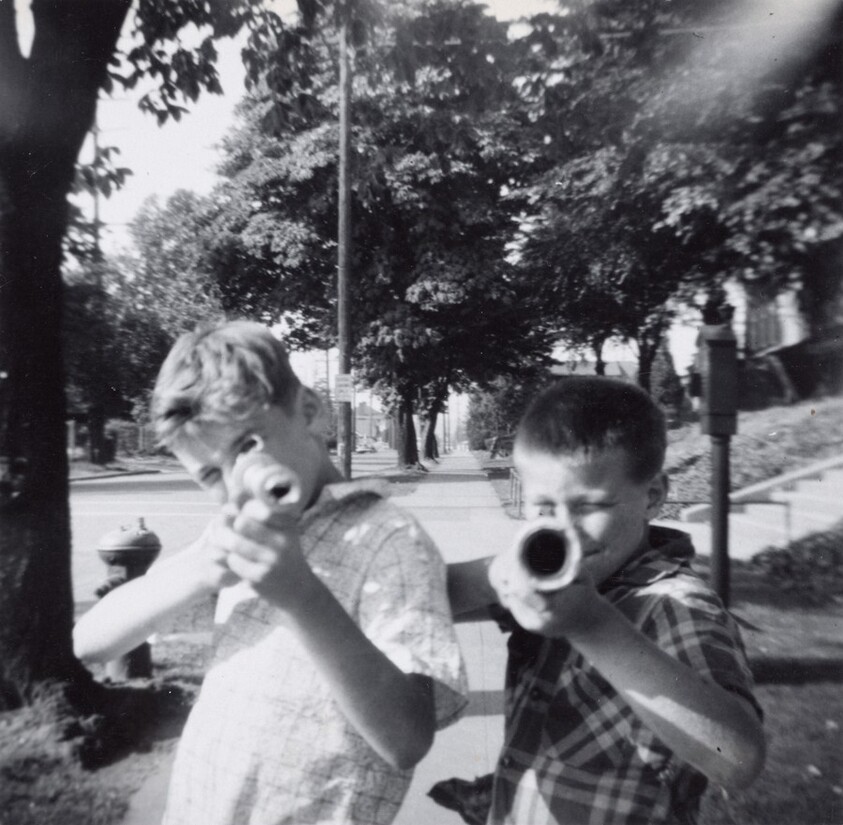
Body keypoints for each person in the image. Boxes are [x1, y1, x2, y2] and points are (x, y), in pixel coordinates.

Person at [74, 320, 467, 825]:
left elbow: (407, 739)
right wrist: (205, 566)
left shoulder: (388, 536)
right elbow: (90, 643)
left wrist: (300, 596)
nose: (236, 479)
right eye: (211, 475)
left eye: (247, 445)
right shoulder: (231, 535)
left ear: (308, 411)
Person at [446, 376, 765, 825]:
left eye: (589, 507)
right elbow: (429, 595)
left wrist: (591, 625)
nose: (563, 530)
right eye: (542, 507)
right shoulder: (557, 571)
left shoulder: (677, 606)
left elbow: (738, 759)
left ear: (653, 497)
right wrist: (493, 577)